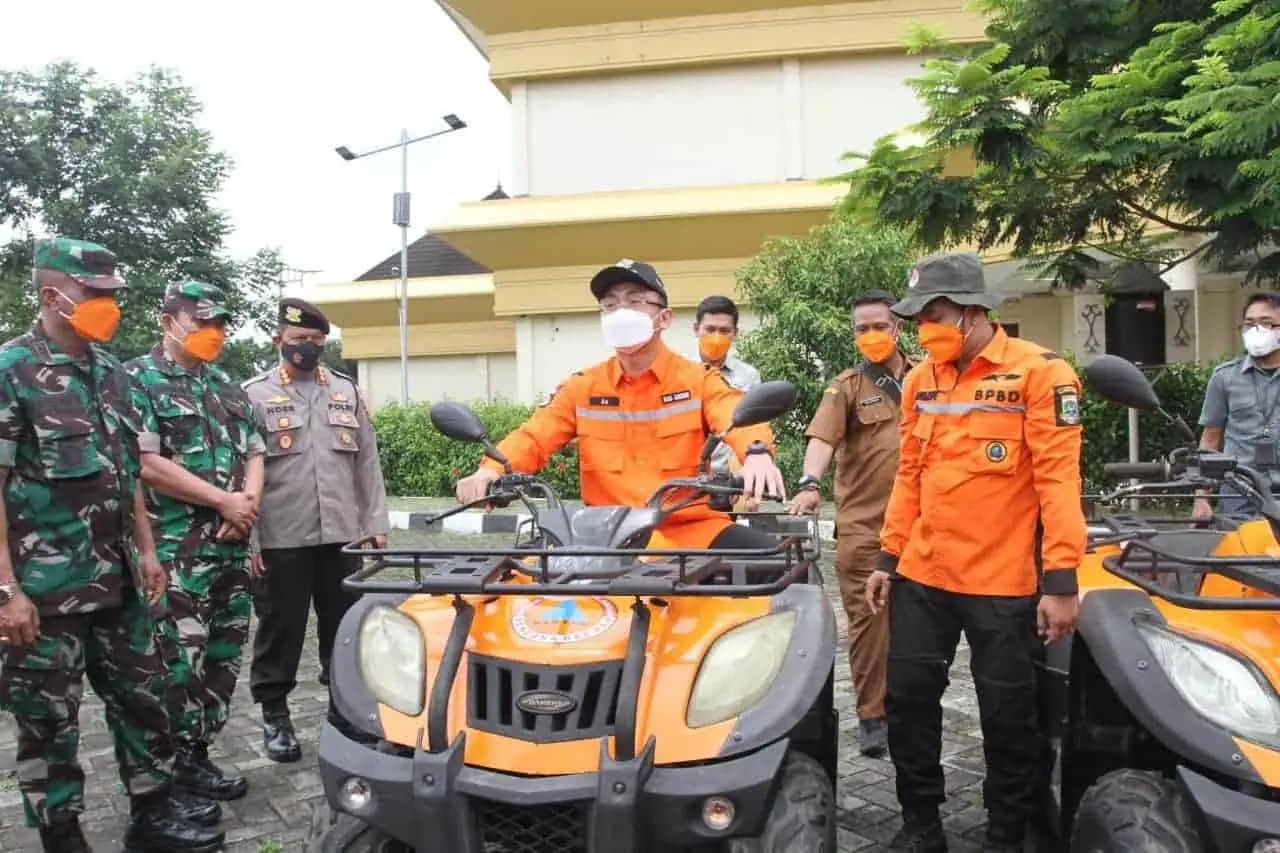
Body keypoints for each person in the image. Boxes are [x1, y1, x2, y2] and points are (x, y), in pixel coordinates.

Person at [0, 238, 224, 853]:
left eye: (112, 295)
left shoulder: (111, 374)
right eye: (96, 294)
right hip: (44, 593)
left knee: (143, 699)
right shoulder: (10, 371)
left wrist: (148, 552)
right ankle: (62, 834)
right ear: (52, 296)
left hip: (121, 578)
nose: (109, 305)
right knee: (49, 723)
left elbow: (127, 476)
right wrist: (6, 590)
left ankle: (151, 815)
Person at [864, 252, 1085, 852]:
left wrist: (1061, 579)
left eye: (932, 314)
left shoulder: (1041, 374)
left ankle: (1008, 832)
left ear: (970, 311)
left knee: (1008, 715)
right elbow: (910, 475)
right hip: (924, 574)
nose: (922, 329)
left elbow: (1059, 481)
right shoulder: (920, 380)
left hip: (1002, 581)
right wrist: (888, 557)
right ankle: (921, 826)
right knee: (907, 703)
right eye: (916, 320)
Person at [455, 259, 787, 549]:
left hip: (687, 531)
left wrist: (756, 453)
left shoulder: (697, 380)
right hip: (603, 538)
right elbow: (534, 436)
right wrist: (490, 471)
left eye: (634, 301)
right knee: (511, 594)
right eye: (610, 305)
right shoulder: (582, 387)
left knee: (785, 565)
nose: (620, 312)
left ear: (664, 318)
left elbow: (736, 413)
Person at [127, 281, 263, 805]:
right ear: (168, 322)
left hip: (231, 548)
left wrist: (245, 506)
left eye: (220, 325)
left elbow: (256, 453)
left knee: (223, 661)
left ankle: (198, 753)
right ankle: (173, 763)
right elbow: (145, 462)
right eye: (202, 323)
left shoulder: (228, 386)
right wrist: (222, 502)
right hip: (173, 552)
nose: (214, 334)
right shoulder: (137, 381)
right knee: (176, 662)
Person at [243, 297, 390, 763]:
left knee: (344, 628)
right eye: (298, 341)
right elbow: (240, 475)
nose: (307, 348)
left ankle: (343, 713)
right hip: (281, 536)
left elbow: (367, 463)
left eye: (316, 341)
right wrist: (250, 540)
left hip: (342, 536)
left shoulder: (345, 390)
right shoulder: (252, 395)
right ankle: (275, 718)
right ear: (277, 341)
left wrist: (375, 524)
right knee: (279, 631)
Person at [788, 289, 917, 759]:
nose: (871, 335)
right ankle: (873, 717)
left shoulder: (930, 377)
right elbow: (823, 439)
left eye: (879, 325)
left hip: (927, 530)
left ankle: (915, 712)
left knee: (922, 627)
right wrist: (808, 482)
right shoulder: (847, 387)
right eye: (861, 328)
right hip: (866, 530)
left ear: (898, 328)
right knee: (869, 625)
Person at [1194, 291, 1280, 519]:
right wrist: (1201, 497)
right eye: (1249, 324)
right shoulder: (1225, 377)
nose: (1257, 330)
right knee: (1238, 552)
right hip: (1239, 492)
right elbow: (1211, 439)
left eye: (1266, 323)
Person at [693, 295, 762, 479]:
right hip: (688, 479)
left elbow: (754, 428)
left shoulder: (748, 376)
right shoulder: (680, 373)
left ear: (735, 333)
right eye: (710, 329)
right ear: (696, 329)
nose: (717, 337)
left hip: (732, 478)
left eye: (724, 331)